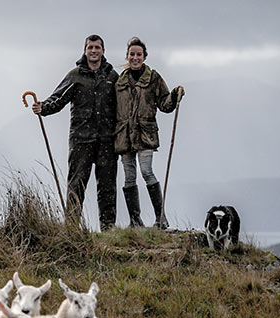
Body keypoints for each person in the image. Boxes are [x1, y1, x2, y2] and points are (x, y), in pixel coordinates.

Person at [31, 34, 119, 230]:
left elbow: (124, 104)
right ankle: (71, 228)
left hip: (107, 139)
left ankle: (108, 228)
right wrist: (43, 108)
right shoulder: (75, 75)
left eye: (97, 47)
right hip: (81, 139)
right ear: (85, 50)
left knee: (107, 186)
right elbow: (58, 98)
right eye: (90, 48)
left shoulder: (113, 77)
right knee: (76, 184)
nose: (94, 51)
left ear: (103, 51)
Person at [114, 37, 185, 228]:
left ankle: (160, 218)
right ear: (127, 56)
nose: (135, 57)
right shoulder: (119, 81)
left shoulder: (154, 78)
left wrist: (174, 95)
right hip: (124, 136)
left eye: (138, 54)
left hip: (145, 135)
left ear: (144, 56)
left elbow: (164, 105)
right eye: (132, 54)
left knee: (146, 172)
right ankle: (135, 221)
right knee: (129, 177)